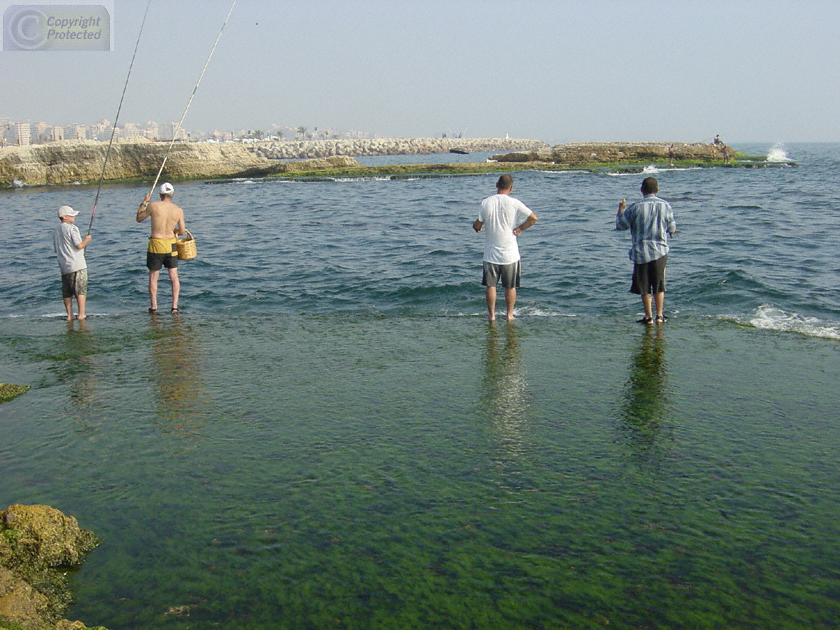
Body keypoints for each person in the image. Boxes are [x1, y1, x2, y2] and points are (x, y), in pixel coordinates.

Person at [473, 174, 538, 322]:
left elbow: (478, 224)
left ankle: (492, 316)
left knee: (491, 285)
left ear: (497, 185)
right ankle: (509, 315)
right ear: (511, 187)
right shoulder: (515, 203)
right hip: (510, 254)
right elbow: (533, 218)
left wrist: (477, 228)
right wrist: (520, 228)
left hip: (491, 253)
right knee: (510, 287)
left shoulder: (486, 202)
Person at [615, 177, 676, 324]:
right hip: (660, 251)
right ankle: (660, 316)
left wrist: (620, 209)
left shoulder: (635, 207)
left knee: (644, 286)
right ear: (657, 190)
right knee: (659, 284)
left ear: (642, 190)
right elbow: (672, 228)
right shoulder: (665, 205)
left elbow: (620, 225)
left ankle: (648, 317)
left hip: (640, 251)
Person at [136, 182, 186, 313]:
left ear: (160, 195)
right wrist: (173, 230)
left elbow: (139, 218)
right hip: (171, 245)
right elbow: (182, 231)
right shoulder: (178, 210)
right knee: (174, 277)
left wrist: (144, 202)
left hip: (156, 245)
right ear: (172, 195)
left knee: (153, 278)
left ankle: (154, 307)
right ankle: (174, 307)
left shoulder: (153, 206)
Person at [53, 205, 92, 321]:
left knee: (67, 291)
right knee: (80, 289)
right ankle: (81, 314)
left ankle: (69, 315)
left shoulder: (56, 230)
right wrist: (87, 240)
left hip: (64, 265)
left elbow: (56, 249)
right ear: (64, 217)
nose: (73, 216)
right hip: (77, 264)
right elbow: (79, 245)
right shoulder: (72, 228)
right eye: (71, 215)